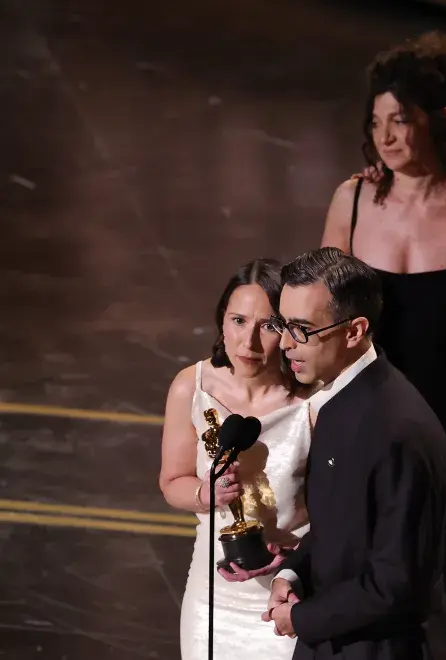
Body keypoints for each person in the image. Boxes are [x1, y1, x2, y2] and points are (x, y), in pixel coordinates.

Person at [319, 34, 446, 659]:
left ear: (441, 121)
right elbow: (322, 315)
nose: (386, 136)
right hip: (365, 416)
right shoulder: (356, 196)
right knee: (360, 569)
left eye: (401, 120)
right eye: (377, 122)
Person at [262, 247, 446, 660]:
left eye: (302, 329)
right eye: (282, 324)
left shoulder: (397, 430)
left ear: (354, 330)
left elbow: (397, 581)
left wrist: (302, 619)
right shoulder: (339, 397)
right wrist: (293, 572)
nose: (286, 344)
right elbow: (342, 527)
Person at [158, 258, 315, 660]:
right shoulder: (189, 387)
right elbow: (172, 481)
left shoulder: (312, 402)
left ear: (287, 331)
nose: (249, 342)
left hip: (285, 592)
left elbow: (336, 507)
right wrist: (203, 495)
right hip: (212, 596)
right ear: (221, 322)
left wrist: (297, 559)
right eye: (238, 321)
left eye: (267, 325)